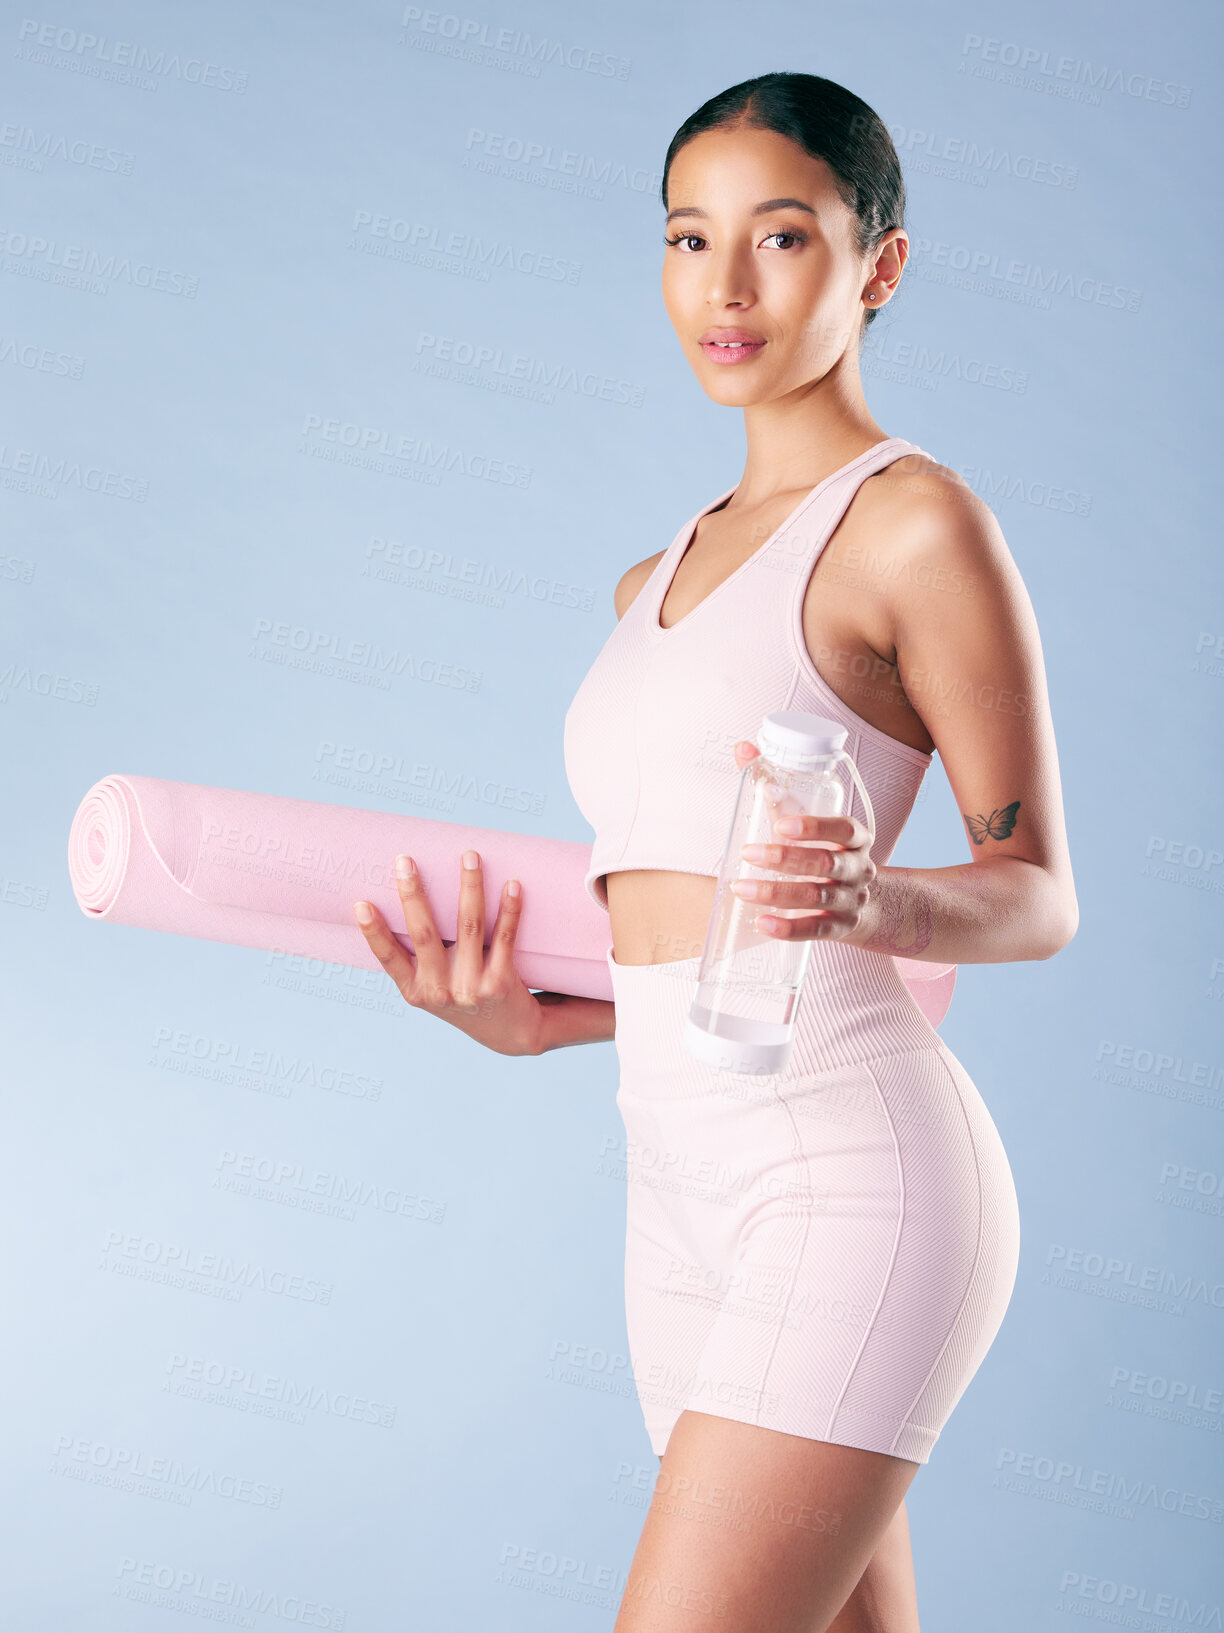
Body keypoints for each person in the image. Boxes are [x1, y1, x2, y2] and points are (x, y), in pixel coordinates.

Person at [353, 70, 1077, 1633]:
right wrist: (542, 1016)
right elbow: (682, 919)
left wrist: (880, 895)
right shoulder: (649, 576)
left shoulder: (911, 527)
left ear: (877, 266)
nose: (724, 286)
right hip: (674, 1186)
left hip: (851, 1169)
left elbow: (1038, 894)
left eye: (782, 236)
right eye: (689, 238)